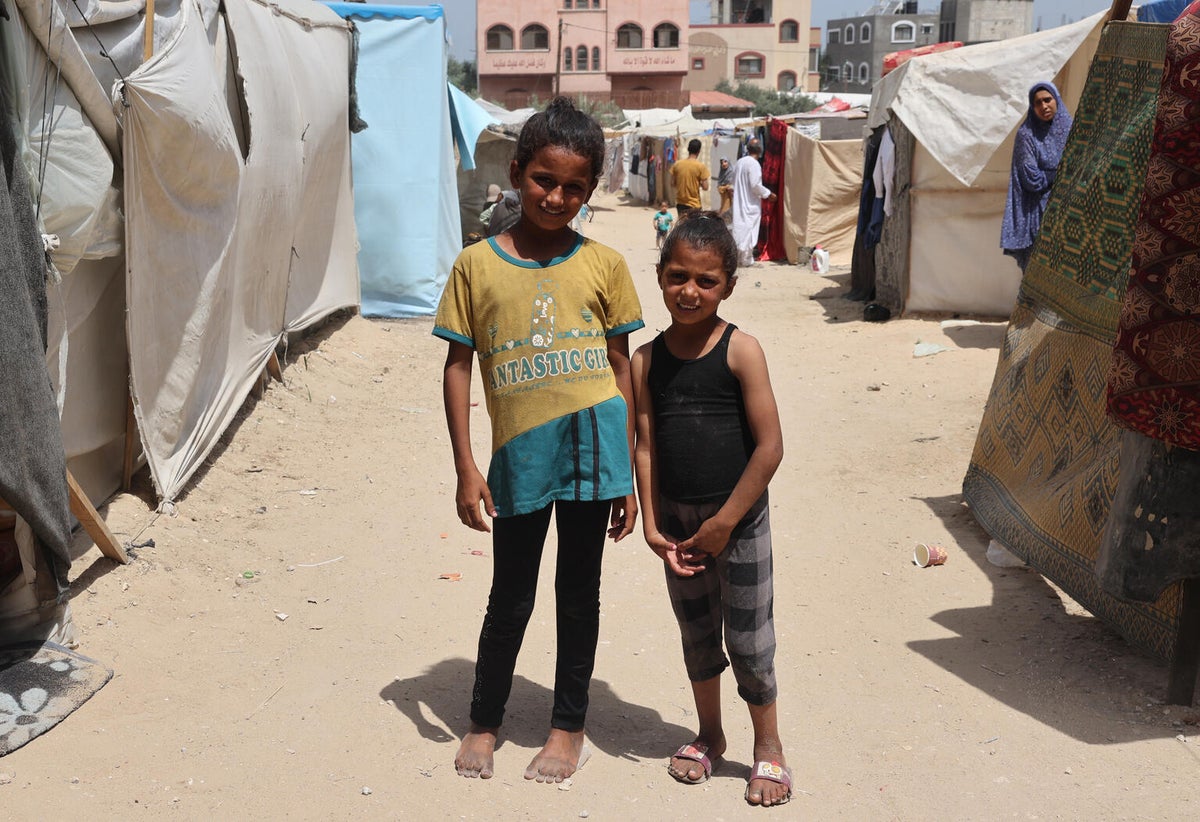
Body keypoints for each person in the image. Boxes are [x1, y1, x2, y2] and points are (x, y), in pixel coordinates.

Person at [433, 97, 643, 785]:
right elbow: (458, 365)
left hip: (592, 450)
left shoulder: (605, 264)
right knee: (510, 594)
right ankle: (485, 721)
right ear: (518, 172)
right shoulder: (476, 266)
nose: (557, 197)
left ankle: (567, 726)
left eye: (575, 187)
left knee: (578, 593)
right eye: (544, 180)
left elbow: (620, 367)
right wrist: (467, 467)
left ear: (590, 191)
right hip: (520, 455)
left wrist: (630, 475)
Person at [630, 212, 789, 807]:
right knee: (698, 636)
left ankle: (768, 748)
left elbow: (770, 447)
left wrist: (725, 523)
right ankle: (710, 733)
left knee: (749, 640)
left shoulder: (741, 351)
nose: (689, 292)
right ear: (660, 276)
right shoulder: (647, 360)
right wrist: (651, 523)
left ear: (728, 285)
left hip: (739, 524)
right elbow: (644, 442)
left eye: (706, 281)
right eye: (677, 277)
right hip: (676, 524)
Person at [1000, 81, 1073, 271]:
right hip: (1040, 213)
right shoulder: (1027, 135)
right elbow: (1031, 178)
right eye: (1038, 103)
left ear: (1056, 99)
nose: (1044, 106)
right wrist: (1060, 173)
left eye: (1047, 100)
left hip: (1070, 213)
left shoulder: (1071, 129)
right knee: (1040, 272)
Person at [731, 139, 776, 268]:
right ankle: (745, 259)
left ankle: (741, 258)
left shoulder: (740, 162)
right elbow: (755, 185)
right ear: (760, 150)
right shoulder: (754, 164)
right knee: (749, 229)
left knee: (741, 228)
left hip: (740, 201)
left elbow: (734, 181)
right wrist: (768, 194)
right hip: (750, 203)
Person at [669, 138, 710, 219]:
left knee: (683, 227)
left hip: (680, 203)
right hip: (694, 204)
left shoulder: (677, 164)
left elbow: (672, 183)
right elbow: (706, 187)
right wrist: (698, 182)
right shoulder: (700, 166)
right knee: (694, 228)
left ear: (688, 149)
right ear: (698, 151)